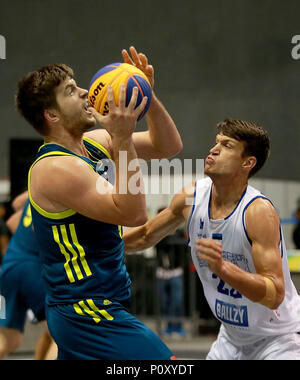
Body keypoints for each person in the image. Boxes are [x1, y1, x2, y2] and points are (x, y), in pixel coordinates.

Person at [16, 46, 182, 360]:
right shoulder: (54, 168)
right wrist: (121, 140)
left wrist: (147, 95)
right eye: (70, 91)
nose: (84, 92)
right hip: (85, 309)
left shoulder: (90, 145)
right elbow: (133, 214)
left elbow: (168, 146)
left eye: (77, 84)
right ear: (52, 115)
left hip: (98, 303)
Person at [124, 118, 300, 360]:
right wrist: (90, 246)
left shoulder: (257, 212)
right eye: (216, 142)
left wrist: (223, 268)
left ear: (248, 162)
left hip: (278, 339)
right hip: (230, 338)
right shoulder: (191, 197)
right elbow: (144, 236)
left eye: (227, 146)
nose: (213, 149)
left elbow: (274, 295)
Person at [0, 191, 57, 360]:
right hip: (33, 269)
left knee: (8, 340)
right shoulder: (68, 188)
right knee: (64, 337)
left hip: (9, 267)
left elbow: (12, 220)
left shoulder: (40, 188)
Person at [155, 208, 186, 337]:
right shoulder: (157, 233)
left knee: (177, 301)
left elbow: (182, 248)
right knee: (165, 301)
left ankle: (178, 327)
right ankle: (168, 326)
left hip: (176, 271)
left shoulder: (178, 232)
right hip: (162, 272)